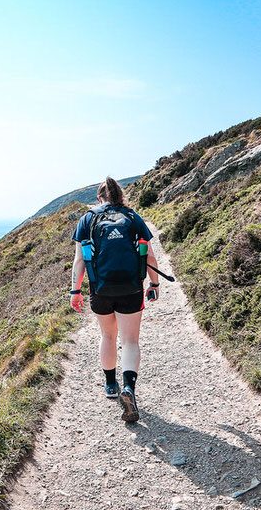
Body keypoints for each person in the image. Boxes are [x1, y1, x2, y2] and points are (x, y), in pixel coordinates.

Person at [69, 177, 160, 423]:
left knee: (107, 336)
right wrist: (154, 283)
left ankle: (111, 385)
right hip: (130, 289)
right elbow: (149, 254)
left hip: (100, 290)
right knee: (130, 341)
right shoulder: (132, 217)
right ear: (120, 195)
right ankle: (129, 387)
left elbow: (79, 261)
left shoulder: (87, 219)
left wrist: (75, 291)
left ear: (100, 198)